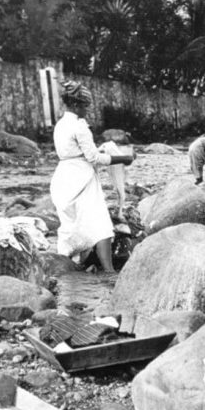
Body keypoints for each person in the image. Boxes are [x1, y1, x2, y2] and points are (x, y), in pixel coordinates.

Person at [50, 80, 134, 272]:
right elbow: (93, 157)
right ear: (76, 105)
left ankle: (65, 267)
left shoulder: (60, 125)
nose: (87, 111)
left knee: (70, 225)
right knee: (101, 224)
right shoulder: (79, 126)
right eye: (85, 106)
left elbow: (75, 152)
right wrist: (123, 158)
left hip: (63, 177)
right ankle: (109, 271)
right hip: (81, 178)